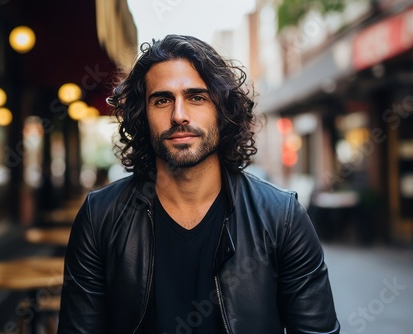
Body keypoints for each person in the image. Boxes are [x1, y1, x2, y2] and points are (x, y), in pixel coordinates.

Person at [58, 34, 340, 334]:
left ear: (222, 111)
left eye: (196, 97)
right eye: (162, 100)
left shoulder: (282, 217)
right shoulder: (99, 216)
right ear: (143, 116)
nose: (179, 115)